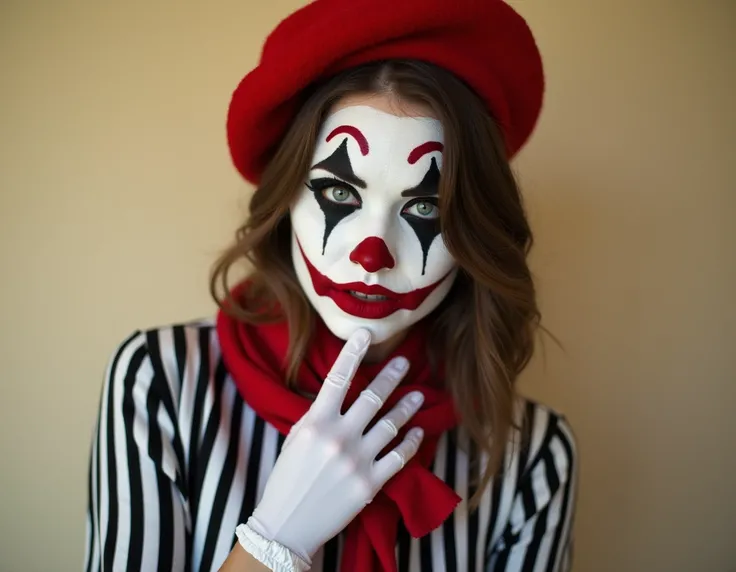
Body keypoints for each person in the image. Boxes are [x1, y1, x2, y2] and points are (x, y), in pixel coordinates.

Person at [84, 0, 578, 571]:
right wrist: (278, 538)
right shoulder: (162, 382)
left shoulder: (535, 454)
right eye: (341, 193)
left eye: (425, 206)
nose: (373, 255)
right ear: (287, 198)